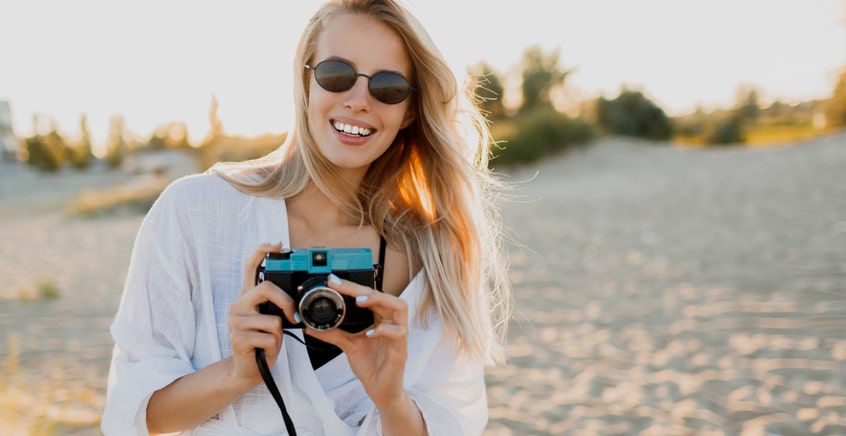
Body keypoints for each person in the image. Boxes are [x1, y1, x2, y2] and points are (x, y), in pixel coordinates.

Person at [101, 0, 512, 434]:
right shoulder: (196, 213)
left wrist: (391, 401)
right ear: (306, 82)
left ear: (409, 109)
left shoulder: (434, 252)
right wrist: (236, 373)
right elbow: (134, 418)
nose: (358, 101)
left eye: (388, 87)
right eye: (336, 74)